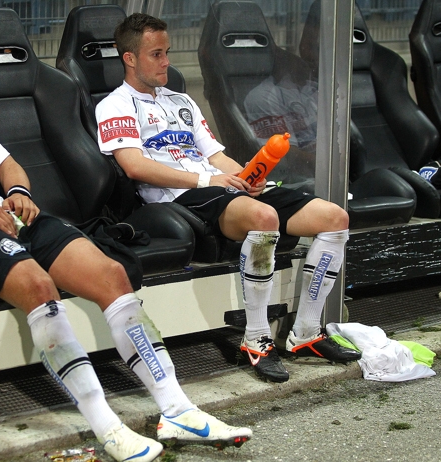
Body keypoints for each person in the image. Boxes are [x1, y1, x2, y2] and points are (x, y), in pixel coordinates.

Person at [0, 19, 253, 462]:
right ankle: (107, 426)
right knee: (39, 287)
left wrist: (17, 192)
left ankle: (176, 408)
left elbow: (8, 166)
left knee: (112, 274)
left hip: (5, 215)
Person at [95, 13, 362, 384]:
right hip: (177, 199)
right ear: (129, 58)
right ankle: (256, 339)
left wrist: (247, 177)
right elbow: (135, 166)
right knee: (263, 219)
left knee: (334, 219)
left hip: (219, 188)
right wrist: (210, 178)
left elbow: (217, 155)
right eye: (156, 54)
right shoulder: (115, 105)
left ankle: (306, 333)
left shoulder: (181, 100)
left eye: (167, 52)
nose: (167, 61)